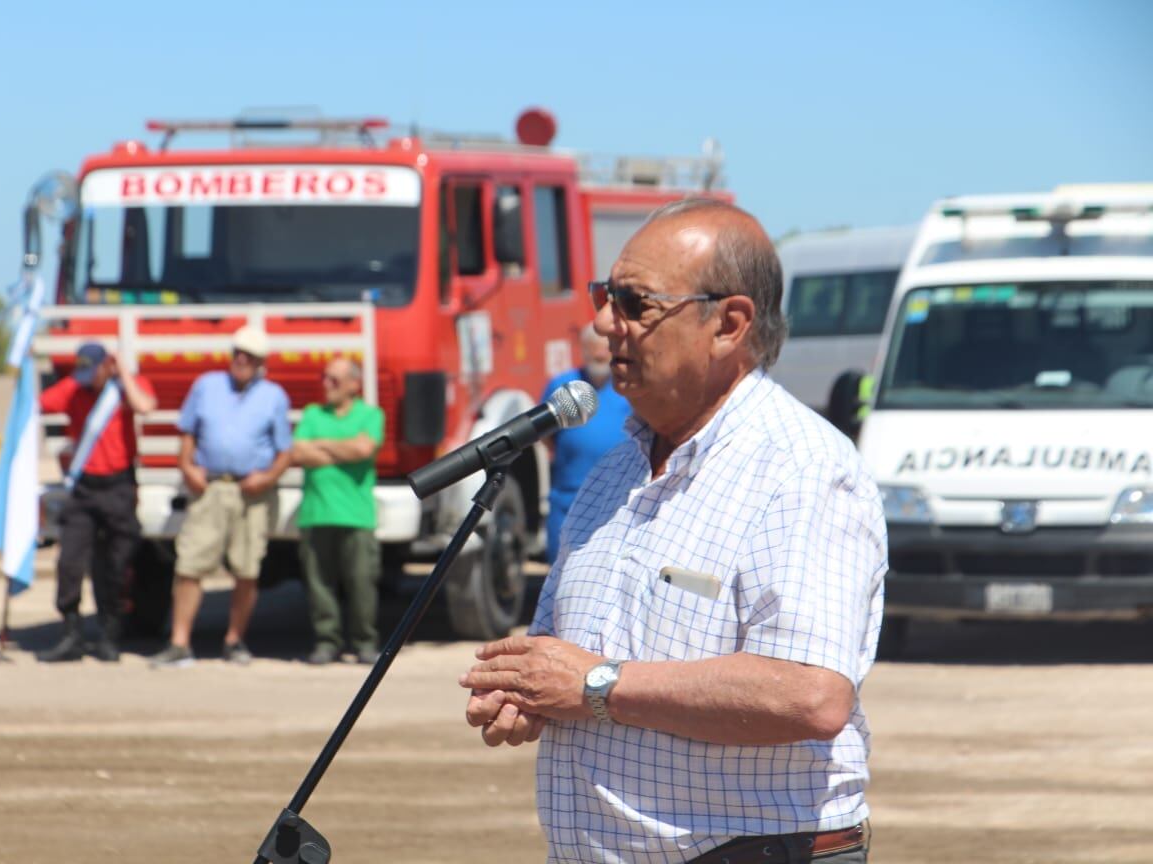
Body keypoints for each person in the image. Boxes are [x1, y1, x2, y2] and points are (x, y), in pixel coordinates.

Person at [460, 199, 887, 863]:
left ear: (729, 324)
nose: (604, 323)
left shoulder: (803, 471)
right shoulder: (612, 472)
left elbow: (811, 693)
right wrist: (527, 688)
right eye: (606, 296)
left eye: (636, 304)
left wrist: (595, 685)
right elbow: (568, 654)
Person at [151, 326, 293, 668]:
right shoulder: (206, 386)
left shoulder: (274, 396)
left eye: (249, 356)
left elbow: (285, 451)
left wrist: (267, 478)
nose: (240, 360)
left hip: (252, 495)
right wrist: (187, 467)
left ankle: (234, 640)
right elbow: (188, 432)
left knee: (246, 568)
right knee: (190, 564)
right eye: (237, 353)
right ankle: (180, 643)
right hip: (210, 489)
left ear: (260, 362)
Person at [38, 342, 158, 663]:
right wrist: (72, 378)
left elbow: (145, 406)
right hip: (84, 489)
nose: (88, 378)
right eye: (84, 371)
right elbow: (40, 403)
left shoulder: (124, 388)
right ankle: (71, 633)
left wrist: (122, 376)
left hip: (118, 486)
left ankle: (110, 634)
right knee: (70, 562)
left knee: (116, 566)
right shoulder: (75, 389)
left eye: (93, 370)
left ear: (108, 365)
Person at [292, 356, 385, 665]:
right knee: (319, 585)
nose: (326, 384)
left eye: (334, 379)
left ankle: (365, 641)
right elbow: (299, 453)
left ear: (353, 385)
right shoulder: (312, 413)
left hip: (356, 515)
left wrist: (320, 445)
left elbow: (364, 449)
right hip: (316, 513)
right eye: (325, 377)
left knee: (361, 582)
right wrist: (344, 450)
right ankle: (326, 641)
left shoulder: (371, 414)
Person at [541, 323, 633, 562]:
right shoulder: (563, 386)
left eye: (604, 349)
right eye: (593, 350)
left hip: (617, 503)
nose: (600, 355)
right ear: (582, 350)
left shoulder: (628, 385)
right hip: (568, 502)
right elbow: (546, 436)